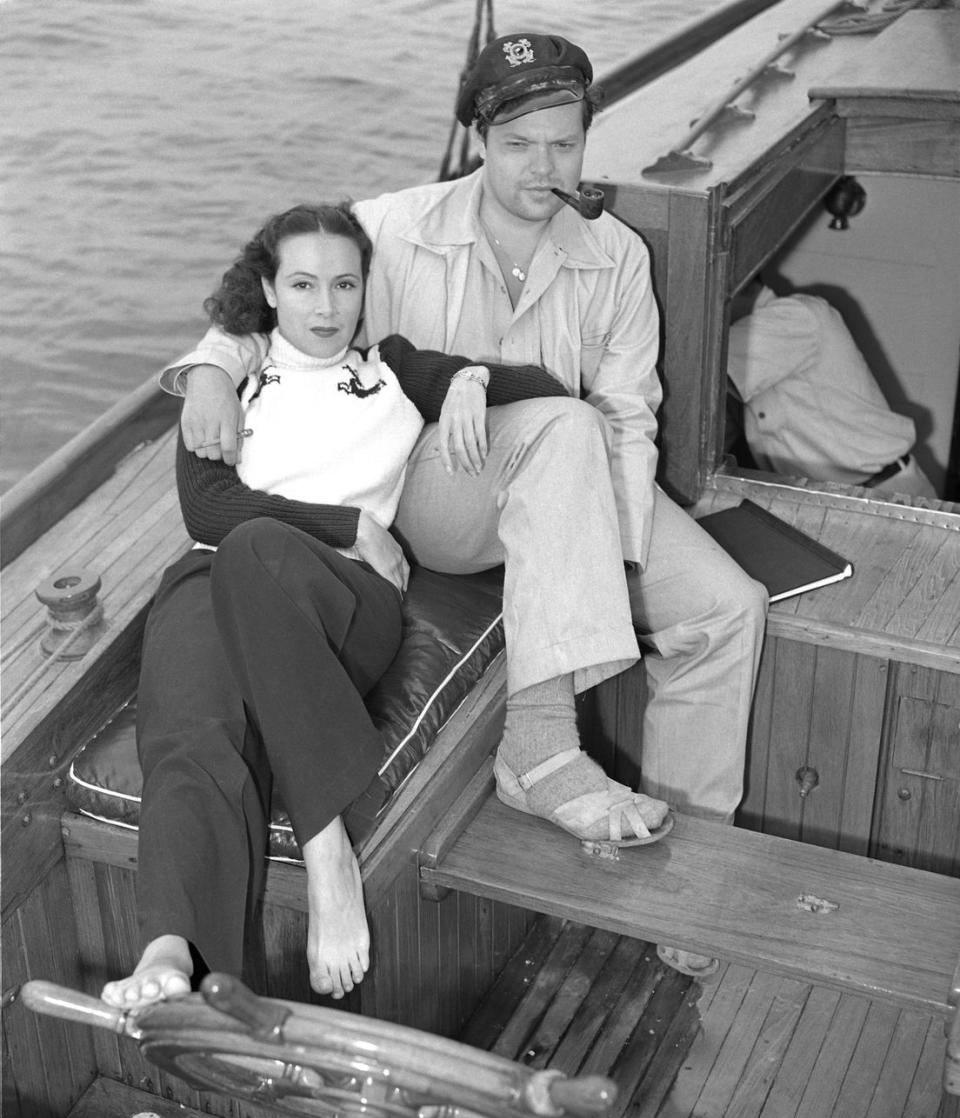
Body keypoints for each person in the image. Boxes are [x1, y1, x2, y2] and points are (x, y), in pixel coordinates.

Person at [169, 33, 769, 978]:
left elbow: (628, 415)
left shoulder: (612, 255)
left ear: (585, 142)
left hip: (570, 487)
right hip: (431, 501)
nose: (544, 166)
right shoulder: (396, 227)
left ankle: (686, 878)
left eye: (564, 144)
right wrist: (210, 369)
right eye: (519, 142)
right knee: (564, 428)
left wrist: (592, 553)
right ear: (480, 136)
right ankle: (539, 750)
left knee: (727, 608)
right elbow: (277, 290)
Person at [102, 202, 601, 1011]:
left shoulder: (392, 368)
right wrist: (353, 522)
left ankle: (327, 843)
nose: (326, 307)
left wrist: (473, 379)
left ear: (366, 291)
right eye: (303, 285)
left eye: (344, 284)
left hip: (342, 603)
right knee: (192, 731)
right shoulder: (231, 381)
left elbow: (543, 388)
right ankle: (173, 952)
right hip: (218, 578)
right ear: (268, 289)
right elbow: (209, 513)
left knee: (256, 551)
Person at [727, 280, 937, 497]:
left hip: (883, 495)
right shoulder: (755, 338)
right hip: (841, 498)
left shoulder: (797, 314)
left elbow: (704, 363)